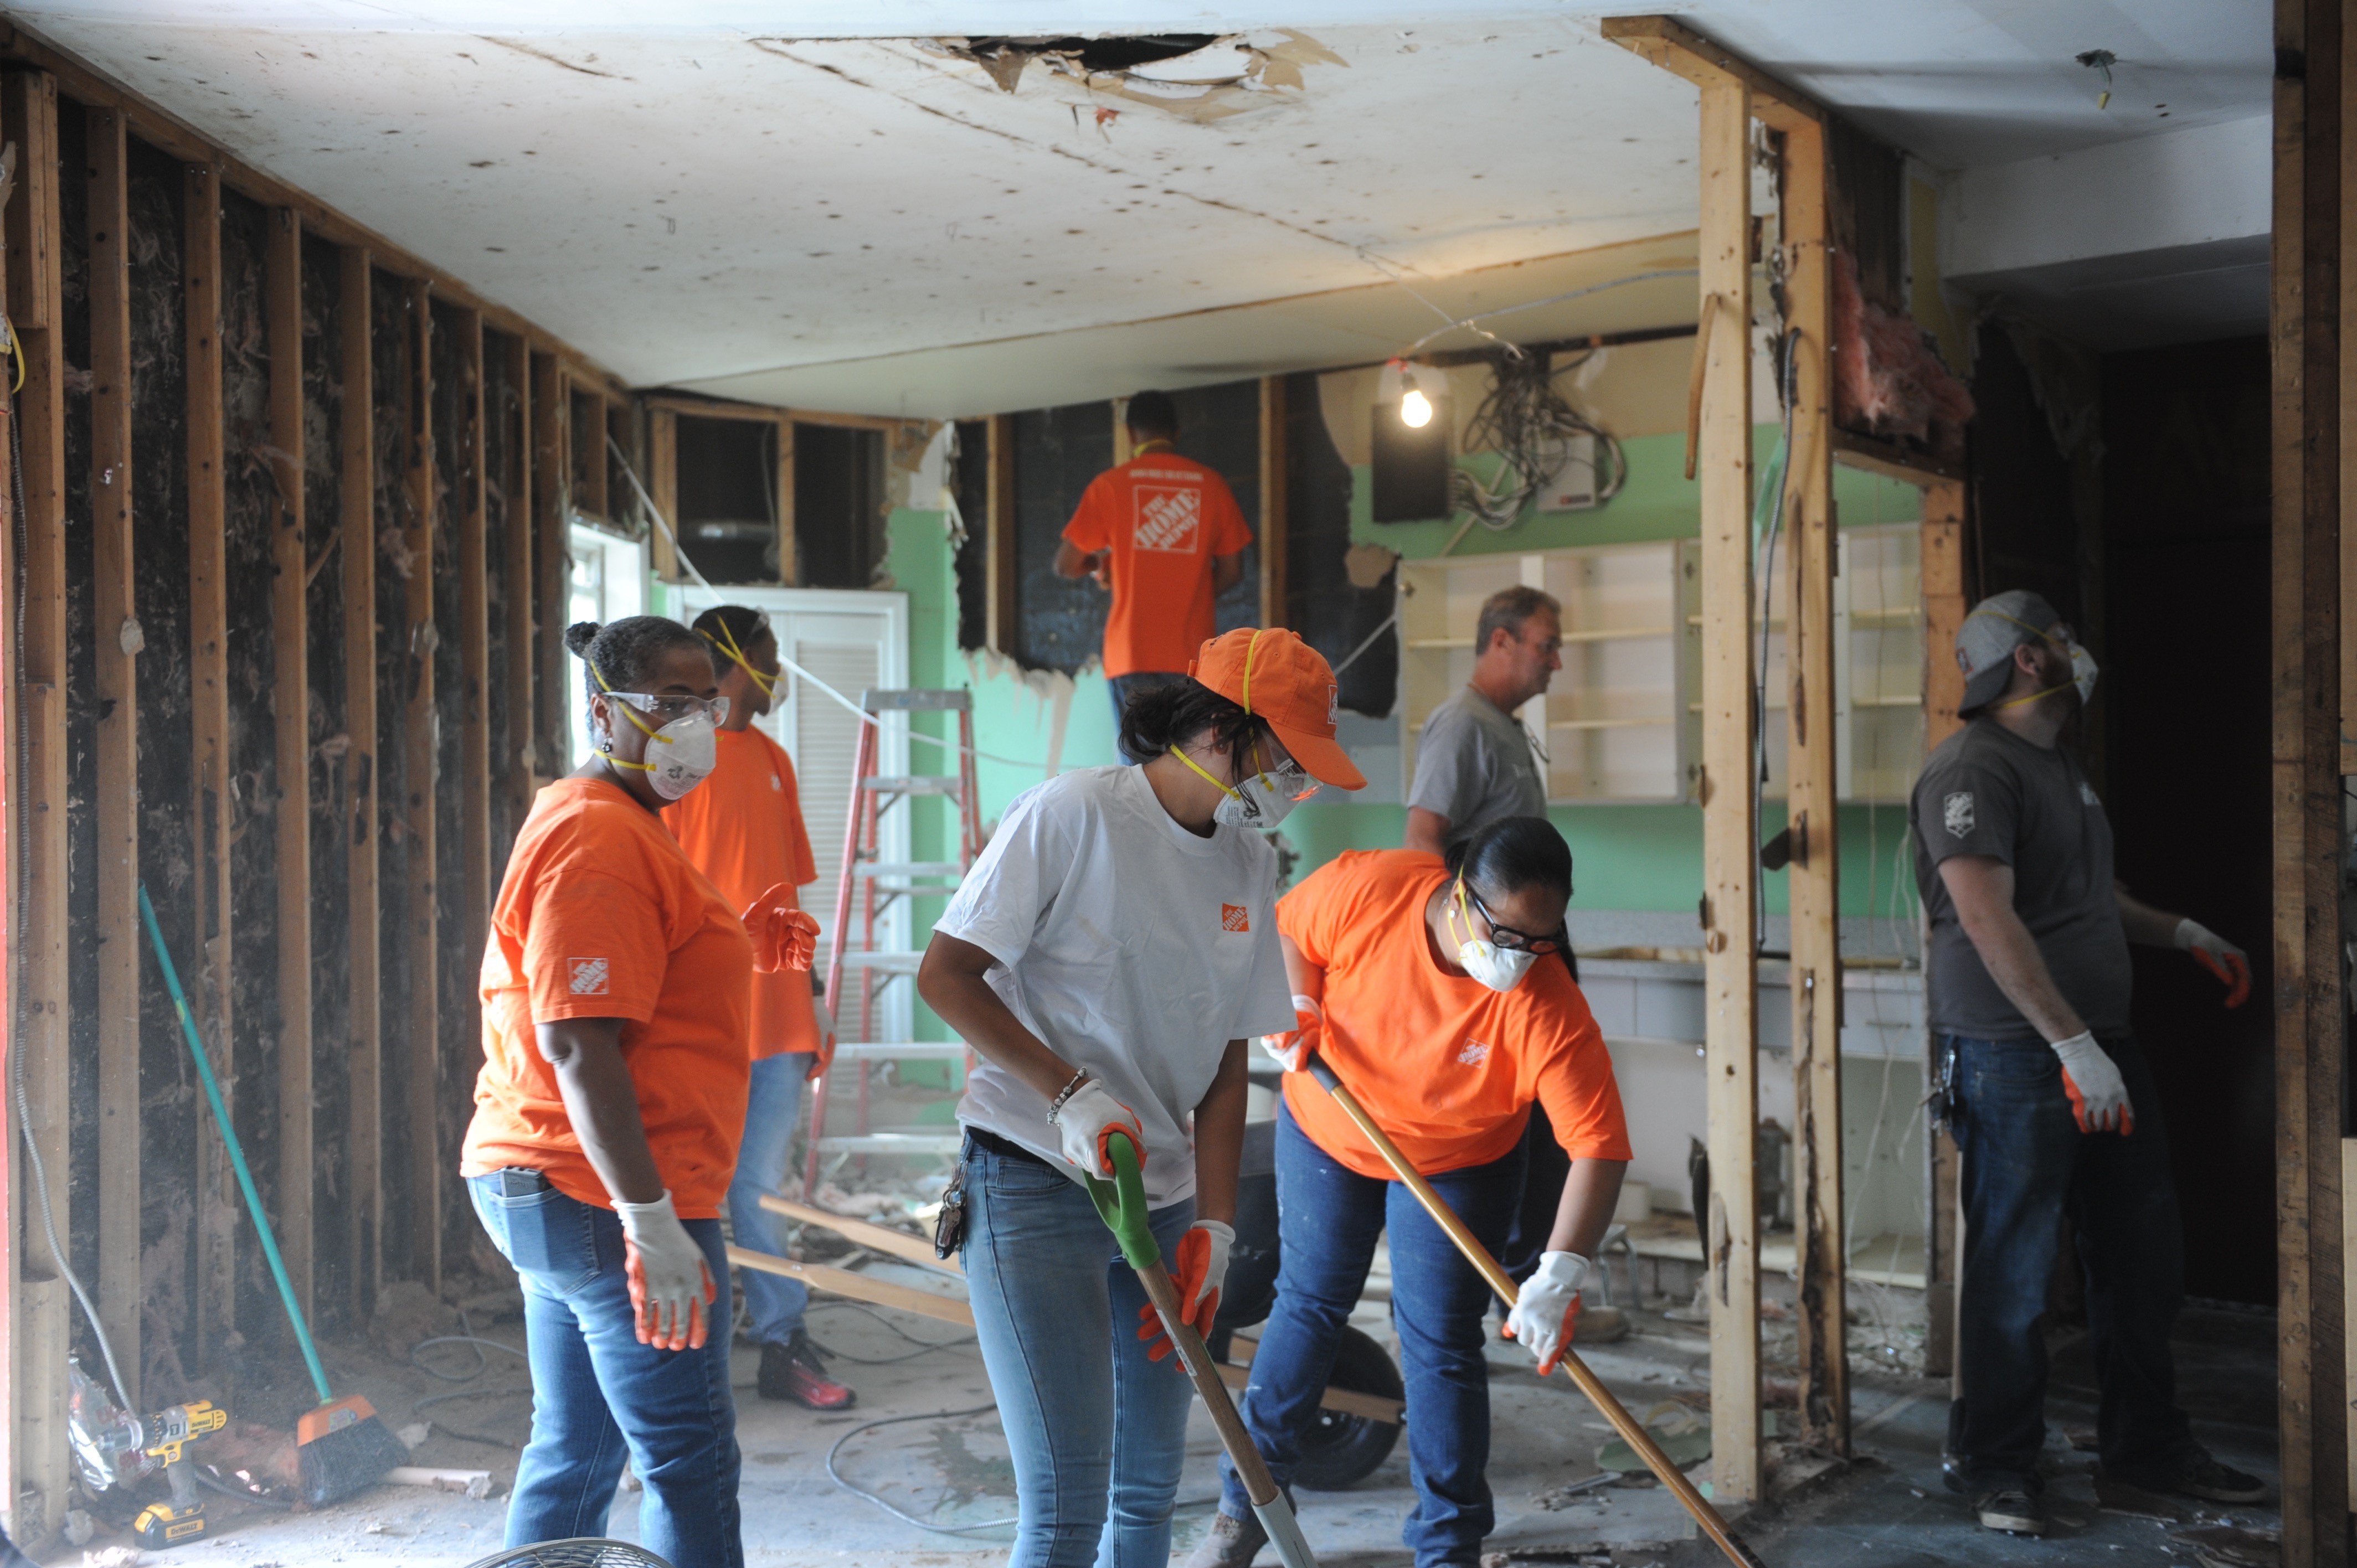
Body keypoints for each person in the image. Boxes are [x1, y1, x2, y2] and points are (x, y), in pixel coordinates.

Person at [916, 627, 1364, 1568]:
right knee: (1067, 1504)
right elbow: (947, 976)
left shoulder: (1249, 862)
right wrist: (1069, 1092)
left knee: (1149, 1490)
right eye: (1287, 758)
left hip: (1161, 1201)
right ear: (1220, 729)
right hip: (1034, 1177)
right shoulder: (1075, 813)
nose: (1296, 785)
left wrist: (1217, 1225)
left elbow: (1228, 1061)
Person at [1909, 589, 2262, 1537]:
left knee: (2143, 1258)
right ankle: (1995, 1466)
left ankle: (2146, 1446)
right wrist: (2069, 1045)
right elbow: (1985, 917)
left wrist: (2180, 931)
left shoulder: (2059, 764)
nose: (2078, 650)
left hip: (2099, 1044)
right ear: (2030, 658)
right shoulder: (1972, 769)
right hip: (2014, 1057)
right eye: (2063, 637)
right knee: (2016, 1271)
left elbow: (2087, 896)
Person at [461, 615, 810, 1568]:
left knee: (577, 1448)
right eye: (670, 702)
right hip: (609, 1189)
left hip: (555, 1178)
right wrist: (649, 1220)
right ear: (603, 711)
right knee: (689, 1461)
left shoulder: (606, 819)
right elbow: (577, 1041)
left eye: (706, 702)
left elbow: (628, 969)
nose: (695, 722)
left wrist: (727, 938)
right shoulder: (599, 837)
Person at [1187, 817, 1630, 1568]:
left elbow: (1600, 1146)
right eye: (1506, 935)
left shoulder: (1546, 1003)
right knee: (1309, 1303)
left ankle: (1449, 1542)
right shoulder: (1371, 889)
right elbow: (1288, 933)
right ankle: (1246, 1508)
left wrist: (1561, 1272)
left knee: (1440, 1340)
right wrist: (1298, 1001)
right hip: (1332, 1133)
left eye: (1541, 940)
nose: (1520, 958)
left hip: (1462, 1163)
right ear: (1459, 894)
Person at [661, 604, 855, 1412]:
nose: (778, 675)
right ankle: (685, 1358)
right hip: (700, 1020)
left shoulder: (773, 760)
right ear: (738, 664)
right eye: (770, 659)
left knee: (761, 1187)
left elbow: (786, 898)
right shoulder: (676, 767)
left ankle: (781, 1341)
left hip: (778, 1020)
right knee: (688, 1187)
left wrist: (811, 998)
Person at [1053, 390, 1255, 740]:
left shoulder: (1110, 486)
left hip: (1130, 654)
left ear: (1131, 434)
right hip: (1193, 657)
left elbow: (1065, 565)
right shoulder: (1212, 486)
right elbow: (1233, 571)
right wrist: (1192, 592)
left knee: (1139, 765)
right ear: (1176, 433)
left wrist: (1099, 564)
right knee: (1190, 762)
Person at [1403, 585, 1562, 857]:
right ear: (1502, 642)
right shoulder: (1462, 724)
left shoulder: (1497, 722)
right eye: (1547, 647)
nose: (1557, 663)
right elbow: (1420, 842)